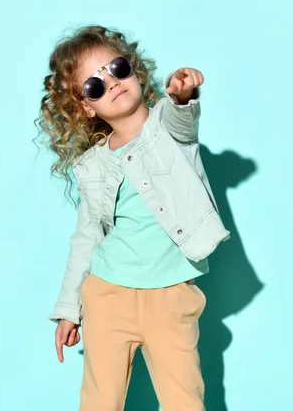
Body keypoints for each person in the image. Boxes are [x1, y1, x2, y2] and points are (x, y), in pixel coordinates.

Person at [35, 25, 231, 411]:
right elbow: (87, 237)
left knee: (184, 401)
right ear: (87, 107)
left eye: (117, 68)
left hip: (171, 296)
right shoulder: (92, 166)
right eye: (94, 85)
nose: (110, 82)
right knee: (99, 403)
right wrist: (69, 310)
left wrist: (183, 93)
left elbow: (182, 117)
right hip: (107, 296)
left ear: (135, 70)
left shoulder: (167, 129)